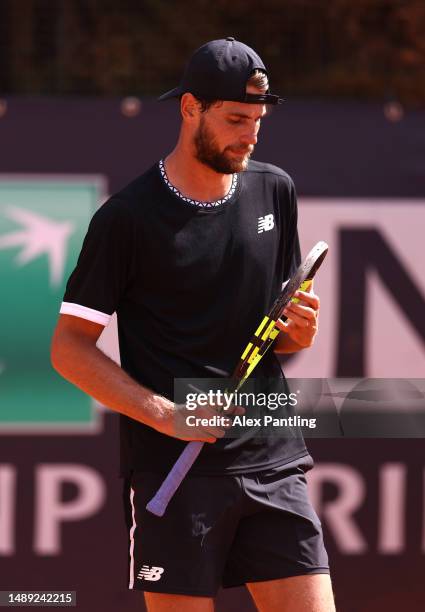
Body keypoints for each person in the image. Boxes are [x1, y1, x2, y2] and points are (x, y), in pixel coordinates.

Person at [51, 37, 335, 612]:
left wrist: (297, 332)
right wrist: (167, 414)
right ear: (189, 108)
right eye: (235, 118)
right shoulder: (125, 220)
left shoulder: (274, 190)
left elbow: (277, 332)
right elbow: (69, 350)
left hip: (271, 455)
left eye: (258, 120)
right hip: (174, 475)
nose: (250, 134)